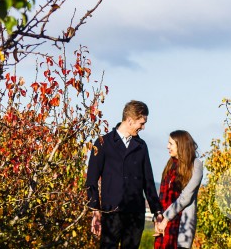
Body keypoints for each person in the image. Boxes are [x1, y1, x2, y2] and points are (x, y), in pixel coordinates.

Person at [86, 100, 163, 249]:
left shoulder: (141, 146)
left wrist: (157, 211)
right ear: (129, 120)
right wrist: (95, 210)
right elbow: (91, 180)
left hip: (135, 215)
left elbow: (148, 182)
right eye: (141, 123)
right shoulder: (103, 143)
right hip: (111, 213)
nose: (143, 127)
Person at [154, 130, 203, 249]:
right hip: (164, 223)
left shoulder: (196, 164)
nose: (167, 147)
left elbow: (186, 196)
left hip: (181, 222)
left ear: (180, 145)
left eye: (171, 144)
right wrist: (158, 217)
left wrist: (166, 218)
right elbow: (162, 195)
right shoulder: (170, 164)